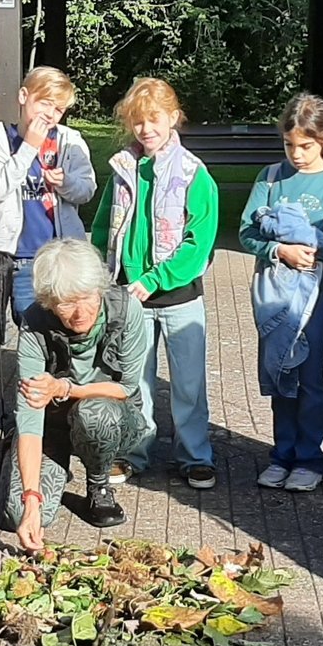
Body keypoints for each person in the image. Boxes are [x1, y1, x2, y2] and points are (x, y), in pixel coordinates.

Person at [89, 77, 219, 490]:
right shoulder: (122, 169)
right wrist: (100, 275)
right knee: (135, 381)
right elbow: (103, 227)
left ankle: (195, 456)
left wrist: (156, 278)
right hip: (132, 297)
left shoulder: (194, 174)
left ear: (173, 117)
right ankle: (133, 452)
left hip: (179, 297)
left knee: (188, 384)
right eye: (138, 121)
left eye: (154, 119)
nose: (146, 129)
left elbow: (198, 243)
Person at [4, 239, 152, 546]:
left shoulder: (127, 309)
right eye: (66, 303)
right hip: (53, 424)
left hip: (112, 418)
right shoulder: (34, 322)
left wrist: (64, 387)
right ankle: (19, 458)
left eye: (87, 297)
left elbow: (126, 386)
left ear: (99, 289)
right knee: (19, 513)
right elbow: (31, 415)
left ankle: (98, 485)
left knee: (95, 414)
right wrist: (31, 500)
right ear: (49, 302)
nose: (80, 312)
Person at [239, 94, 323, 493]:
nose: (297, 154)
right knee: (279, 372)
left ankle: (309, 458)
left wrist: (309, 242)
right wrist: (278, 249)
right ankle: (282, 454)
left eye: (305, 145)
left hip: (313, 299)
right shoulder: (270, 177)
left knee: (309, 377)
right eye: (289, 145)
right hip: (273, 294)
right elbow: (246, 232)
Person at [0, 66, 98, 320]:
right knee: (29, 324)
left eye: (59, 109)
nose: (50, 114)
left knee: (66, 325)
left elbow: (87, 190)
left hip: (64, 256)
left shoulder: (70, 140)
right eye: (45, 103)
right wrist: (29, 146)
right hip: (22, 257)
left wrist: (65, 182)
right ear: (24, 96)